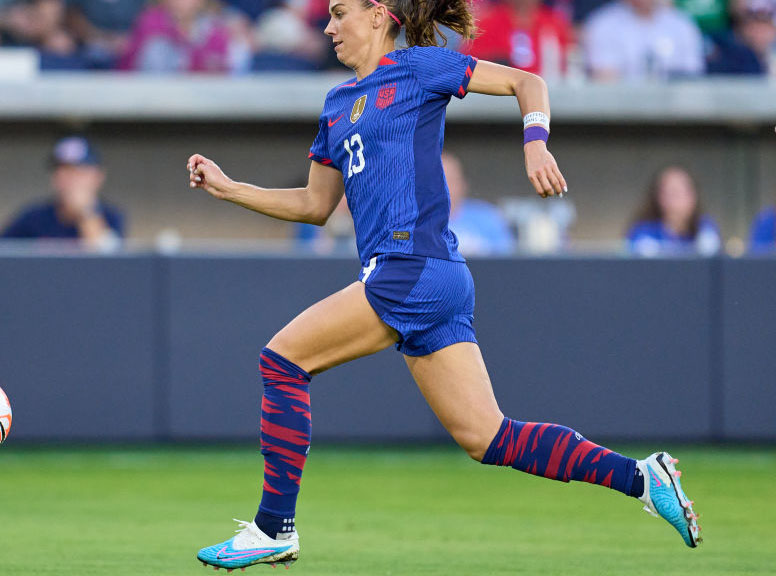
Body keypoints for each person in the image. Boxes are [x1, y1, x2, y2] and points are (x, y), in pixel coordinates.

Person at [187, 0, 702, 570]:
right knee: (490, 438)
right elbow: (314, 205)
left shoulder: (422, 66)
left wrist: (535, 142)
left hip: (411, 265)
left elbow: (526, 82)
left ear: (379, 14)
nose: (329, 26)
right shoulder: (335, 105)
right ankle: (641, 478)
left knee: (282, 361)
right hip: (432, 277)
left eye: (339, 12)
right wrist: (232, 189)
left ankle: (273, 527)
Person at [0, 135, 125, 250]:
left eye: (76, 171)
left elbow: (109, 260)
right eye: (61, 170)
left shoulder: (111, 216)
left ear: (97, 176)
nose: (68, 178)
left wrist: (86, 212)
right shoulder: (34, 217)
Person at [584, 0, 706, 81]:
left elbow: (692, 76)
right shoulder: (603, 23)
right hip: (620, 114)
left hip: (675, 112)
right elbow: (604, 79)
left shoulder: (682, 23)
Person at [627, 165, 721, 256]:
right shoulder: (644, 232)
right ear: (659, 197)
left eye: (685, 191)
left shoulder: (705, 228)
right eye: (672, 192)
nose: (679, 199)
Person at [465, 0, 574, 78]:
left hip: (546, 94)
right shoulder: (486, 24)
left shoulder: (554, 24)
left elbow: (569, 65)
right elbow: (469, 67)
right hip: (498, 97)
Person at [444, 151, 515, 255]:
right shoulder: (415, 222)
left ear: (463, 184)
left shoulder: (489, 217)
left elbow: (507, 262)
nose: (445, 187)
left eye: (451, 180)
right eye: (439, 181)